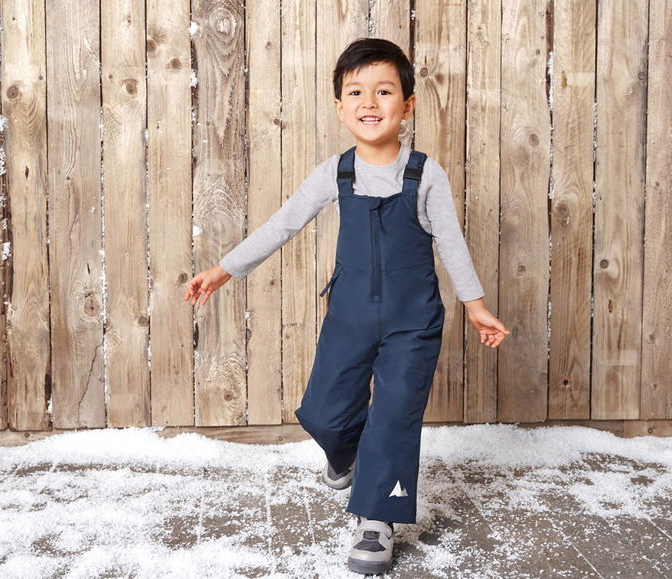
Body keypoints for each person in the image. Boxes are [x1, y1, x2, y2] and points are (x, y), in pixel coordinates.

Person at [184, 38, 509, 575]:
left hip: (414, 321)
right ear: (340, 106)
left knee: (394, 416)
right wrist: (224, 269)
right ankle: (345, 454)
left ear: (407, 104)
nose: (370, 102)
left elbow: (451, 241)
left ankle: (376, 522)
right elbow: (281, 224)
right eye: (356, 92)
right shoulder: (335, 173)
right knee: (325, 412)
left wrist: (475, 306)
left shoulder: (424, 174)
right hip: (350, 315)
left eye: (385, 91)